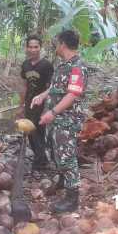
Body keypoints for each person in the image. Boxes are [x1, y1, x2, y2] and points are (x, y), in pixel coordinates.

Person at [31, 29, 88, 213]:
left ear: (63, 44)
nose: (55, 46)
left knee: (67, 157)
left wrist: (53, 112)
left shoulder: (77, 67)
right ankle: (63, 183)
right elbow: (56, 88)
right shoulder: (64, 65)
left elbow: (72, 94)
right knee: (56, 152)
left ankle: (72, 198)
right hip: (57, 119)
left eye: (57, 42)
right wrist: (42, 95)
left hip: (67, 120)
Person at [18, 35, 54, 172]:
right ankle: (41, 159)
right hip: (29, 103)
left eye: (36, 47)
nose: (33, 50)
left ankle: (40, 161)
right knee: (30, 131)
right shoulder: (25, 65)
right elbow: (24, 85)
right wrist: (21, 105)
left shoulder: (46, 65)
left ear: (40, 48)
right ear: (26, 48)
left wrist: (47, 107)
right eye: (30, 47)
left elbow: (52, 87)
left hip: (41, 104)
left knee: (38, 131)